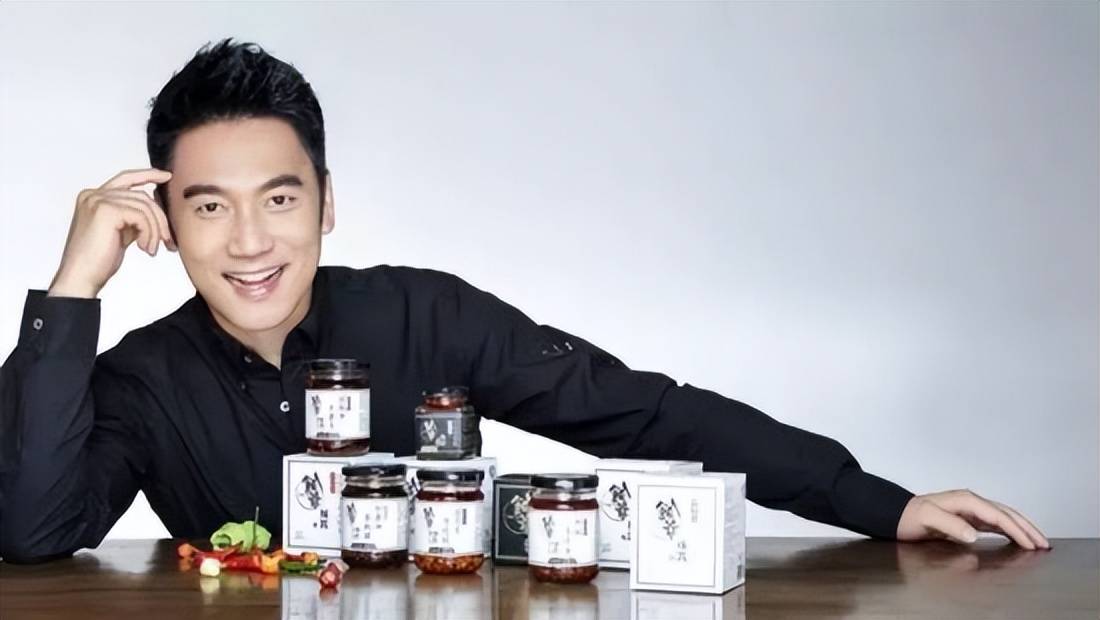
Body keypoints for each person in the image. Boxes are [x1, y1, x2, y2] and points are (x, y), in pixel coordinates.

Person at [0, 39, 1049, 564]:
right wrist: (71, 286)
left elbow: (642, 411)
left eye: (279, 199)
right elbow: (32, 531)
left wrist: (877, 501)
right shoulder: (136, 378)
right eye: (209, 207)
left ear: (326, 204)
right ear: (167, 222)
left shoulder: (429, 318)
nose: (248, 242)